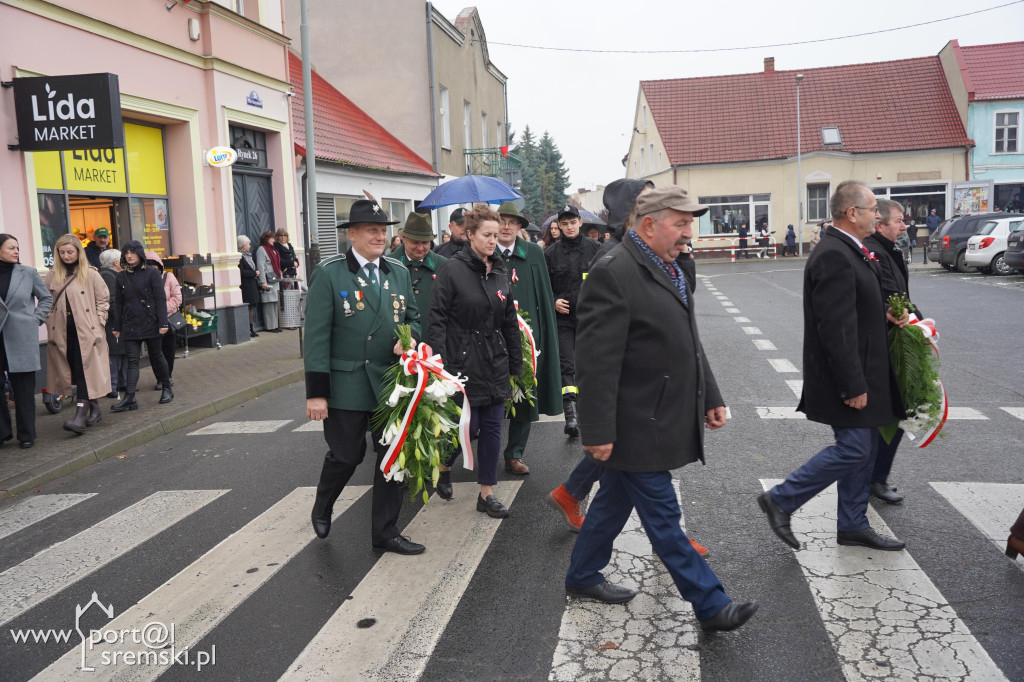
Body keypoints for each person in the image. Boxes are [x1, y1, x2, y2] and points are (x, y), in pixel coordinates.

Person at [564, 185, 757, 632]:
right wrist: (596, 430)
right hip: (635, 419)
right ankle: (711, 604)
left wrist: (710, 394)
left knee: (612, 501)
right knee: (665, 520)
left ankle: (581, 574)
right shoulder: (614, 270)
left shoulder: (667, 265)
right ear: (648, 225)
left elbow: (687, 340)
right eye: (681, 223)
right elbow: (595, 361)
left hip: (657, 412)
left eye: (691, 223)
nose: (689, 233)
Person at [548, 180, 711, 559]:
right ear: (632, 215)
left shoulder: (657, 252)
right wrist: (598, 424)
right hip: (634, 394)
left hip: (646, 394)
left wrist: (682, 252)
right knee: (646, 477)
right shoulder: (616, 257)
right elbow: (599, 352)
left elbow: (682, 307)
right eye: (646, 203)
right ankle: (681, 555)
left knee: (617, 489)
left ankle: (575, 515)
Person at [757, 181, 907, 552]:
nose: (878, 214)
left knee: (866, 446)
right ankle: (781, 499)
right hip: (849, 374)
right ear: (852, 213)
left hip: (864, 369)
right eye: (873, 208)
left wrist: (884, 313)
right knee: (855, 448)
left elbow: (852, 307)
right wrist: (852, 385)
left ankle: (852, 523)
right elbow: (834, 327)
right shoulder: (834, 255)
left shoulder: (851, 249)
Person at [305, 199, 426, 554]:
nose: (380, 236)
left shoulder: (397, 272)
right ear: (352, 234)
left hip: (390, 384)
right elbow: (316, 337)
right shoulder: (330, 273)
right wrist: (317, 393)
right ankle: (324, 503)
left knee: (392, 457)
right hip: (347, 384)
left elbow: (414, 319)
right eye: (371, 230)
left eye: (383, 230)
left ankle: (385, 532)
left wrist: (410, 338)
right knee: (346, 455)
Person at [428, 204, 522, 517]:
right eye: (486, 234)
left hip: (494, 359)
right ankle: (443, 465)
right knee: (466, 428)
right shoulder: (452, 269)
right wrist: (439, 365)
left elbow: (509, 319)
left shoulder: (499, 270)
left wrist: (515, 364)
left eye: (496, 235)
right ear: (470, 235)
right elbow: (437, 317)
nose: (493, 240)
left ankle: (487, 494)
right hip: (461, 360)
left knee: (494, 427)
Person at [495, 202, 561, 476]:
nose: (506, 226)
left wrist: (545, 337)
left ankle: (514, 454)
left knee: (524, 398)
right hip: (492, 339)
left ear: (520, 227)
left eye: (512, 222)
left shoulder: (534, 253)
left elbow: (545, 299)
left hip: (527, 341)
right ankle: (483, 453)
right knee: (492, 401)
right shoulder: (483, 253)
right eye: (502, 221)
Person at [864, 199, 919, 505]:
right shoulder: (874, 251)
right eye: (898, 221)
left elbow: (902, 296)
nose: (903, 226)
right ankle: (873, 478)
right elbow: (888, 295)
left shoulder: (890, 249)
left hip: (896, 336)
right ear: (880, 224)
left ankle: (875, 477)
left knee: (894, 414)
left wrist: (920, 321)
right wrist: (909, 318)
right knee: (893, 413)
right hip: (886, 344)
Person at [44, 234, 111, 434]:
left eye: (70, 252)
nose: (66, 256)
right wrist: (49, 321)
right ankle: (95, 409)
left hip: (87, 333)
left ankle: (80, 415)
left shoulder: (90, 274)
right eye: (62, 252)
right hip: (63, 333)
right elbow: (47, 301)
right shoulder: (52, 275)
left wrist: (99, 321)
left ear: (78, 252)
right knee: (75, 369)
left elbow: (103, 299)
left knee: (84, 370)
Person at [545, 204, 600, 437]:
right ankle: (571, 415)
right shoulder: (550, 254)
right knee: (567, 365)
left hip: (590, 320)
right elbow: (544, 287)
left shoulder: (596, 249)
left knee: (589, 366)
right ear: (558, 226)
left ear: (580, 222)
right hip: (564, 320)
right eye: (563, 224)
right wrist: (554, 300)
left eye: (572, 222)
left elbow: (607, 283)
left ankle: (592, 413)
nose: (568, 227)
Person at [0, 234, 52, 448]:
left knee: (23, 389)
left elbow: (46, 297)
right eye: (11, 247)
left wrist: (35, 319)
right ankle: (2, 433)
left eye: (18, 248)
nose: (16, 251)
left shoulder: (28, 273)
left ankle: (26, 434)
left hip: (21, 336)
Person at [110, 240, 173, 411]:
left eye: (133, 252)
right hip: (131, 324)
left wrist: (163, 322)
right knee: (132, 361)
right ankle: (130, 398)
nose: (129, 256)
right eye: (126, 253)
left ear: (140, 254)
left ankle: (167, 387)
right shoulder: (121, 276)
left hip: (151, 322)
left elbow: (160, 299)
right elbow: (119, 302)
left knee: (157, 356)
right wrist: (117, 326)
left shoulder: (152, 273)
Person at [390, 212, 447, 334]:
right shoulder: (388, 265)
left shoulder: (443, 266)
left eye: (425, 243)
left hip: (434, 343)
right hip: (399, 345)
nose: (420, 248)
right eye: (415, 242)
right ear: (403, 238)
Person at [146, 252, 181, 391]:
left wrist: (160, 308)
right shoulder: (143, 280)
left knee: (168, 350)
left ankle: (168, 376)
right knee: (155, 352)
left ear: (159, 267)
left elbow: (177, 298)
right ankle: (160, 378)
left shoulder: (169, 277)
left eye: (154, 267)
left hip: (168, 319)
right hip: (151, 321)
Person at [98, 249, 126, 398]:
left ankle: (122, 383)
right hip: (113, 322)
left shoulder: (112, 275)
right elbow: (112, 300)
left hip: (116, 321)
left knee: (121, 352)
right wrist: (121, 318)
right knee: (115, 354)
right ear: (116, 262)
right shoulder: (108, 276)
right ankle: (113, 386)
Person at [256, 230, 282, 333]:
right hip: (268, 279)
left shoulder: (274, 250)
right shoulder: (261, 249)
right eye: (272, 238)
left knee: (275, 302)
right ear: (267, 239)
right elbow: (261, 266)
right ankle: (270, 326)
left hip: (275, 279)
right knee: (269, 303)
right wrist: (263, 281)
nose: (274, 240)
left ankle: (275, 325)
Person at [237, 235, 261, 337]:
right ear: (242, 246)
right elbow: (241, 272)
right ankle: (247, 329)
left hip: (252, 285)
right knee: (248, 307)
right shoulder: (240, 257)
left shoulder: (248, 255)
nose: (250, 246)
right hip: (246, 286)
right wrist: (254, 273)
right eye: (248, 244)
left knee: (252, 307)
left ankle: (251, 328)